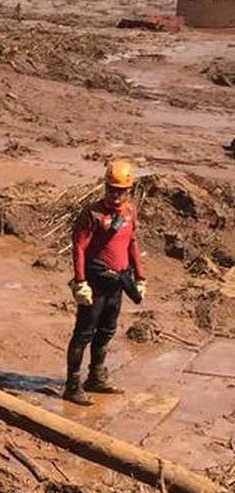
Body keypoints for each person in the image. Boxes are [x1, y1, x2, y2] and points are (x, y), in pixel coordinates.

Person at [63, 159, 146, 405]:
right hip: (96, 280)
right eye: (111, 189)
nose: (115, 195)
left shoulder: (130, 212)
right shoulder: (93, 214)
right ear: (105, 187)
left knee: (107, 330)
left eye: (120, 191)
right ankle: (72, 385)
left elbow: (132, 242)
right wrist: (80, 282)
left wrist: (140, 276)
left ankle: (96, 377)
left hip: (118, 282)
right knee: (83, 333)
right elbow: (78, 247)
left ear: (128, 191)